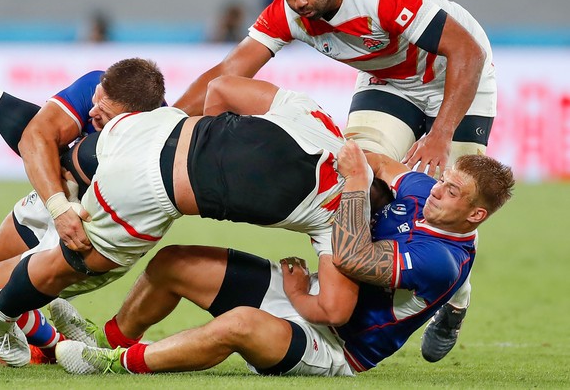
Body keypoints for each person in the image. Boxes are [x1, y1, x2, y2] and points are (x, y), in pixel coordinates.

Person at [172, 0, 497, 362]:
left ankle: (455, 302)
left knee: (451, 200)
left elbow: (466, 53)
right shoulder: (289, 10)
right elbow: (229, 71)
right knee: (353, 180)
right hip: (390, 83)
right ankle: (342, 300)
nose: (298, 1)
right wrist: (165, 124)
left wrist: (440, 132)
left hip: (459, 77)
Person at [0, 74, 362, 367]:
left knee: (68, 157)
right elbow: (334, 311)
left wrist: (211, 143)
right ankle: (0, 319)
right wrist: (295, 291)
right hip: (144, 190)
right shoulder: (340, 220)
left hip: (152, 126)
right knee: (75, 261)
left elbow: (221, 88)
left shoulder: (315, 116)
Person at [52, 142, 514, 376]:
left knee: (240, 324)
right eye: (443, 180)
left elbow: (352, 258)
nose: (437, 190)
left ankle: (117, 362)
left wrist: (355, 182)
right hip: (311, 292)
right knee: (173, 261)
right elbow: (378, 161)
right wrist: (335, 150)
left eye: (452, 191)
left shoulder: (442, 261)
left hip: (335, 345)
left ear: (474, 214)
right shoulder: (420, 191)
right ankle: (107, 335)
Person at [0, 54, 166, 364]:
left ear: (134, 119)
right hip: (65, 197)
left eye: (103, 113)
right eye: (95, 101)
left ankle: (8, 346)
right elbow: (37, 135)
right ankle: (54, 346)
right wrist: (60, 204)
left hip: (100, 227)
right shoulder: (99, 83)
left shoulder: (152, 144)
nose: (91, 112)